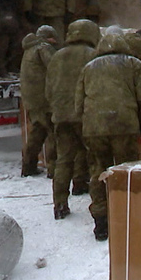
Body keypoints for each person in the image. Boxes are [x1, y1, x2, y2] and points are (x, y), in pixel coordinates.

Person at [75, 32, 141, 241]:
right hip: (124, 125)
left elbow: (79, 101)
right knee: (127, 170)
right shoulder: (134, 64)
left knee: (98, 171)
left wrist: (85, 124)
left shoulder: (88, 67)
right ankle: (129, 214)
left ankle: (101, 221)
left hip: (94, 127)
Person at [46, 19, 101, 220]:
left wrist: (56, 109)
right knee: (94, 159)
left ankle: (60, 204)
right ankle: (97, 202)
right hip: (85, 115)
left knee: (64, 160)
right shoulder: (93, 55)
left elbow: (49, 89)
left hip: (61, 116)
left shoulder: (57, 56)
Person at [20, 25, 60, 177]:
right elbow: (56, 67)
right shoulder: (44, 48)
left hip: (32, 99)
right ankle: (53, 169)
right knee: (53, 134)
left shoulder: (29, 49)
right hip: (44, 100)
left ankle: (28, 167)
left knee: (37, 133)